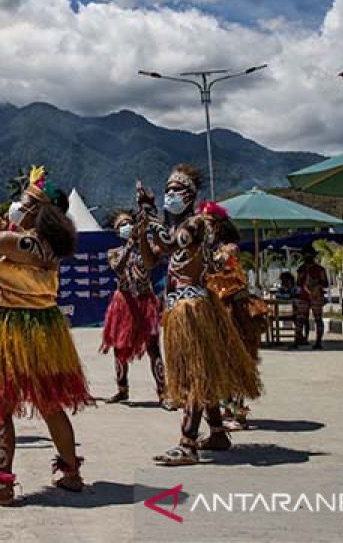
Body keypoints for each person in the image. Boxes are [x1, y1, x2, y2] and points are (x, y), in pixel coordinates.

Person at [0, 166, 92, 505]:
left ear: (37, 211)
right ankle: (71, 473)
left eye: (25, 200)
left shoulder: (13, 241)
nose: (18, 204)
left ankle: (2, 488)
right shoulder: (49, 246)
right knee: (50, 403)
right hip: (46, 328)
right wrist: (0, 229)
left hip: (14, 327)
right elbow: (12, 247)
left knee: (1, 406)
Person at [145, 165, 261, 467]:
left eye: (176, 190)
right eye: (167, 190)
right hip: (179, 306)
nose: (170, 195)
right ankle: (218, 432)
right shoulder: (176, 227)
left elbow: (172, 244)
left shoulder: (194, 224)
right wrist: (143, 229)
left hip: (193, 307)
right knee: (201, 370)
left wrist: (152, 215)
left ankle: (188, 443)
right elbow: (154, 255)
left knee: (196, 373)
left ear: (191, 195)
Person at [199, 201, 268, 431]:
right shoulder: (203, 249)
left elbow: (217, 265)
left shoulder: (229, 248)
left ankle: (237, 412)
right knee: (218, 360)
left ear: (218, 226)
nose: (203, 227)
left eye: (207, 224)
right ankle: (224, 408)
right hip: (214, 308)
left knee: (237, 359)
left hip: (234, 310)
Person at [100, 201, 168, 407]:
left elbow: (152, 261)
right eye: (122, 225)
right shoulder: (114, 252)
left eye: (129, 223)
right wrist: (129, 245)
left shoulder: (146, 250)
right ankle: (122, 389)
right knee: (119, 348)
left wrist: (142, 238)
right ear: (116, 230)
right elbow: (118, 268)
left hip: (146, 302)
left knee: (153, 348)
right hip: (124, 303)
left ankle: (163, 392)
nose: (126, 226)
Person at [296, 248, 329, 349]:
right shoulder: (301, 269)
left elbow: (325, 284)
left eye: (309, 255)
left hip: (316, 296)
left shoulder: (320, 269)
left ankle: (318, 341)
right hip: (304, 296)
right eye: (306, 255)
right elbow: (298, 283)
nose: (308, 257)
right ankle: (300, 339)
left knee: (318, 319)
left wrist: (316, 284)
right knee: (301, 319)